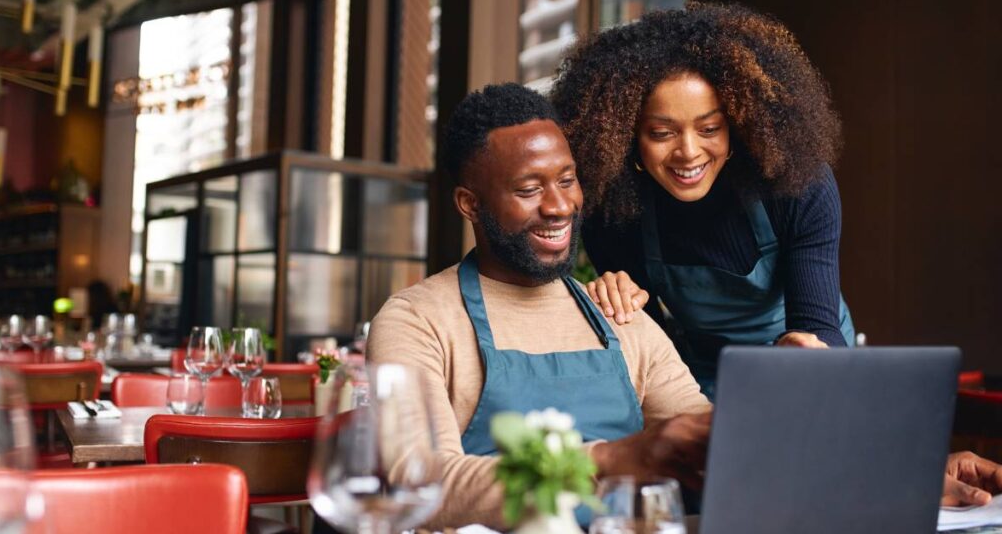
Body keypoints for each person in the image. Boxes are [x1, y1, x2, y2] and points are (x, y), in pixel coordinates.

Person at [368, 83, 1002, 530]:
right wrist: (618, 458)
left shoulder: (619, 316)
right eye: (529, 190)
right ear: (469, 204)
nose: (560, 207)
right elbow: (419, 481)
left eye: (567, 181)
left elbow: (731, 448)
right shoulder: (419, 320)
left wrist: (901, 471)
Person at [550, 3, 855, 397]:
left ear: (738, 125)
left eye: (710, 128)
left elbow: (818, 324)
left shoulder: (796, 185)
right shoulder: (614, 211)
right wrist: (619, 306)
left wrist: (805, 350)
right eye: (662, 133)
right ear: (626, 138)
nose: (689, 152)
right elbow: (652, 351)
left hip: (807, 363)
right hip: (703, 375)